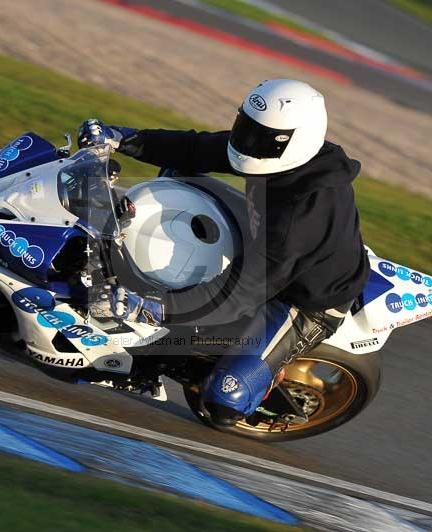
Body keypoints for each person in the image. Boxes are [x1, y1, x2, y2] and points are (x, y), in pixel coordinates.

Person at [79, 79, 370, 425]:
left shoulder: (302, 215)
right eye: (246, 127)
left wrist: (155, 307)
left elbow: (243, 291)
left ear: (296, 140)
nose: (248, 142)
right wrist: (121, 138)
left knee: (222, 403)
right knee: (178, 176)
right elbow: (195, 148)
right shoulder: (269, 151)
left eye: (261, 137)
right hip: (261, 239)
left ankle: (262, 380)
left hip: (303, 299)